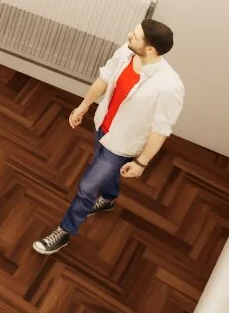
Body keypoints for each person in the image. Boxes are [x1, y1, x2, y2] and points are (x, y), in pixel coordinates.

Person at [33, 19, 185, 256]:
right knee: (104, 169)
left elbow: (160, 130)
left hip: (122, 145)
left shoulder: (169, 87)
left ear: (150, 49)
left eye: (135, 36)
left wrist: (141, 162)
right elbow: (104, 79)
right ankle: (108, 199)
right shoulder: (126, 52)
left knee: (86, 187)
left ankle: (64, 231)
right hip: (102, 128)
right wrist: (83, 106)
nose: (129, 35)